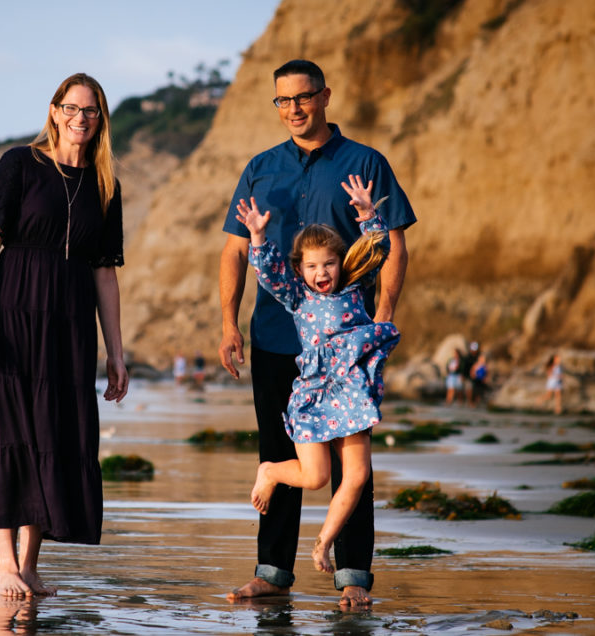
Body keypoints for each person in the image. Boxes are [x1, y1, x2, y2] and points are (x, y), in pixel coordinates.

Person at [218, 59, 416, 608]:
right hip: (279, 336)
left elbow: (391, 242)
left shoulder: (364, 162)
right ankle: (272, 572)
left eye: (303, 97)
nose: (294, 109)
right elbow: (237, 249)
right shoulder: (260, 168)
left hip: (348, 344)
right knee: (282, 451)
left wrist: (384, 314)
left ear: (325, 96)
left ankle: (353, 576)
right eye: (282, 101)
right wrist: (228, 321)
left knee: (356, 459)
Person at [0, 73, 128, 599]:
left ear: (100, 119)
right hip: (16, 310)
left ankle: (30, 564)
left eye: (92, 110)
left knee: (55, 434)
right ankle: (4, 563)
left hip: (72, 320)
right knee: (15, 431)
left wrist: (117, 354)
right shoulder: (21, 163)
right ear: (55, 111)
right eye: (72, 107)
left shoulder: (106, 185)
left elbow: (105, 273)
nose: (81, 118)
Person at [238, 175, 400, 577]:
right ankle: (272, 471)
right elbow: (270, 271)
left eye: (329, 263)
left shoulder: (355, 285)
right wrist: (257, 236)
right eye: (311, 266)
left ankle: (324, 542)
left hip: (353, 392)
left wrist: (367, 214)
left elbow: (378, 248)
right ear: (301, 269)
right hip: (314, 395)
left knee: (357, 474)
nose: (321, 272)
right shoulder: (298, 296)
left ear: (341, 263)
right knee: (315, 477)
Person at [462, 341, 480, 406]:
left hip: (478, 377)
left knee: (477, 390)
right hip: (468, 376)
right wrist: (463, 375)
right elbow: (464, 367)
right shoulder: (467, 357)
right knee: (469, 389)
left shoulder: (479, 356)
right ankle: (469, 402)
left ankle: (476, 402)